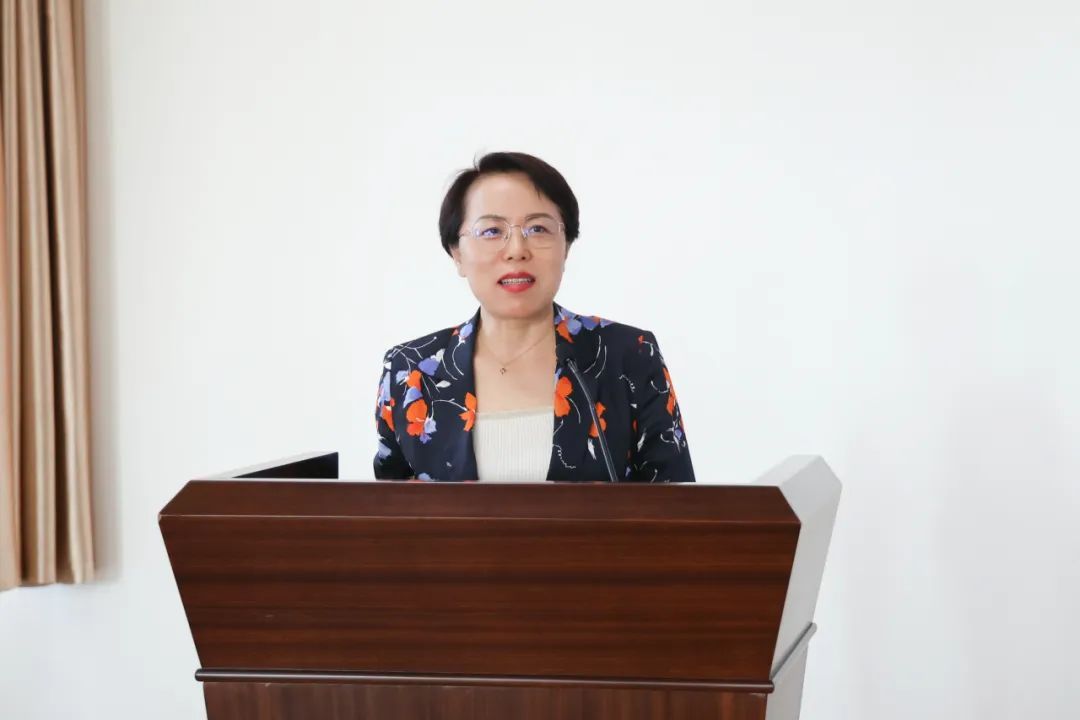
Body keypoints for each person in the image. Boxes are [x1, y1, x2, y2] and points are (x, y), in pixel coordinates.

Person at [373, 152, 695, 483]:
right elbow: (386, 509)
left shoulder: (629, 355)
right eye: (491, 231)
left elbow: (677, 504)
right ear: (457, 253)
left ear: (566, 247)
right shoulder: (410, 371)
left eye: (538, 228)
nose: (517, 250)